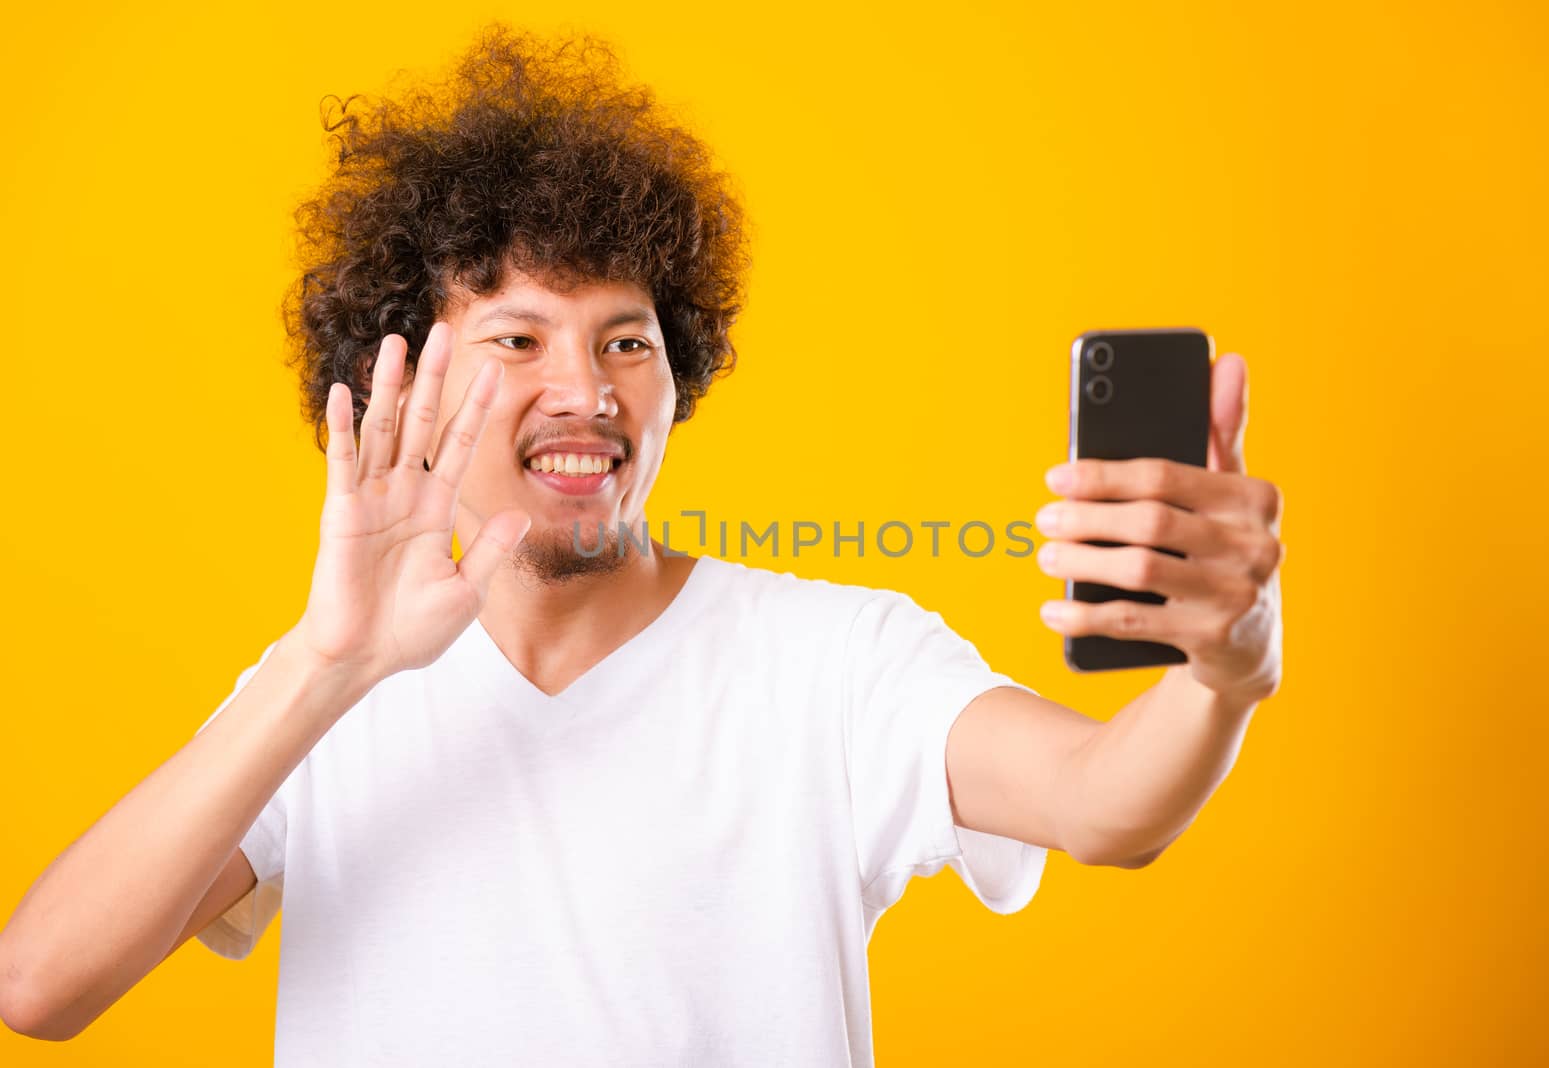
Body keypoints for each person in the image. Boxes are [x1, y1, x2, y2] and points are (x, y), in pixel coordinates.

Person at [0, 22, 1284, 1065]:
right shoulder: (318, 699)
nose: (589, 390)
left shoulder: (832, 664)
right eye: (518, 339)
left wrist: (1222, 669)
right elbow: (40, 985)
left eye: (626, 340)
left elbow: (1107, 805)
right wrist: (329, 663)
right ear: (408, 384)